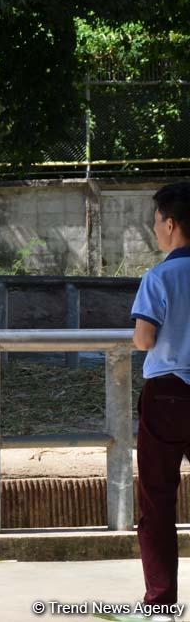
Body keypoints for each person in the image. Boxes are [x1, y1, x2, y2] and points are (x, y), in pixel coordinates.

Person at [132, 181, 190, 608]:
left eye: (156, 222)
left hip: (167, 396)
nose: (155, 230)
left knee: (157, 501)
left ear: (171, 224)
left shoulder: (160, 276)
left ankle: (161, 603)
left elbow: (144, 339)